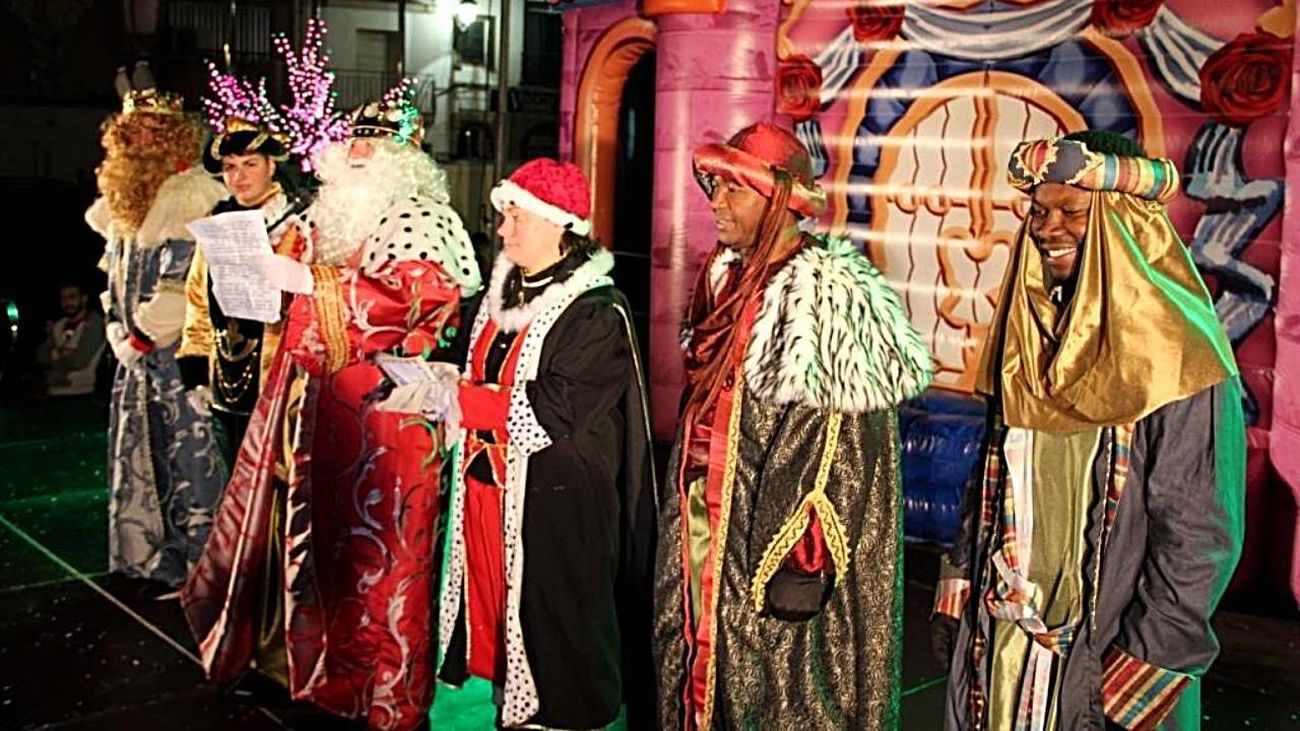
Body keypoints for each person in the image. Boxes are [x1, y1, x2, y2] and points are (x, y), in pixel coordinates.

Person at [182, 97, 480, 731]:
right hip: (319, 410)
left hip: (389, 420)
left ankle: (389, 702)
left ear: (409, 159)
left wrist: (304, 281)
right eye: (356, 142)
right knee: (324, 556)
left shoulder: (424, 218)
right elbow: (280, 292)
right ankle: (323, 681)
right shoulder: (330, 215)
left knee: (386, 568)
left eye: (377, 145)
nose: (361, 154)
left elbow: (412, 305)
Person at [932, 131, 1245, 730]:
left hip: (1102, 665)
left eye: (1072, 211)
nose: (1048, 227)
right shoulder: (1030, 340)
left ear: (1122, 224)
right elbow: (991, 485)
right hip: (1003, 652)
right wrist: (961, 583)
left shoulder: (1180, 358)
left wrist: (1140, 668)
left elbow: (1198, 536)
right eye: (1040, 211)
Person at [652, 122, 933, 729]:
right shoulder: (728, 280)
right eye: (715, 188)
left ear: (779, 201)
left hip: (773, 552)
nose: (716, 203)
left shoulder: (822, 297)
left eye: (735, 191)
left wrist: (796, 560)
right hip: (705, 525)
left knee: (780, 691)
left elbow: (834, 456)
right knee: (699, 672)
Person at [381, 158, 657, 729]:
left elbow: (557, 407)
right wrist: (441, 380)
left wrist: (461, 400)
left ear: (559, 226)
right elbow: (476, 366)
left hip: (555, 503)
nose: (503, 231)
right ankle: (508, 698)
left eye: (517, 219)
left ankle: (565, 714)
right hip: (489, 487)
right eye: (504, 218)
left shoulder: (598, 311)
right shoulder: (500, 294)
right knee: (493, 604)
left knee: (555, 617)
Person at [85, 87, 227, 599]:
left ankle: (196, 569)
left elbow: (182, 284)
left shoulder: (192, 196)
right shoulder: (124, 199)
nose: (142, 141)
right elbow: (111, 274)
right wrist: (114, 327)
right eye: (134, 133)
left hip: (175, 357)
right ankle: (146, 559)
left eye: (153, 132)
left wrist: (141, 337)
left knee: (189, 460)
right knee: (140, 456)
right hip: (133, 354)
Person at [177, 117, 304, 468]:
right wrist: (196, 373)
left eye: (250, 164)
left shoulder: (300, 223)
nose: (239, 176)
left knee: (274, 492)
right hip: (225, 383)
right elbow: (198, 301)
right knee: (232, 487)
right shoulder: (217, 223)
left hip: (280, 384)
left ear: (271, 166)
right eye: (230, 167)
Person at [35, 283, 105, 397]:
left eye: (72, 297)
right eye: (63, 298)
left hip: (82, 393)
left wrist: (54, 369)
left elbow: (79, 361)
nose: (67, 303)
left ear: (84, 298)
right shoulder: (59, 325)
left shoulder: (94, 323)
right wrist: (58, 353)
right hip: (53, 392)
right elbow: (40, 356)